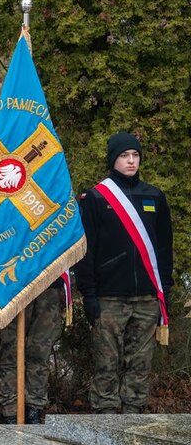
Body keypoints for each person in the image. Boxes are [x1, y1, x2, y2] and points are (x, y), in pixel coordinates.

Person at [76, 132, 173, 414]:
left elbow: (164, 248)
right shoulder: (95, 198)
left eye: (135, 155)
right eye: (124, 156)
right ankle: (105, 417)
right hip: (108, 298)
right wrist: (89, 295)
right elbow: (85, 250)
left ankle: (134, 416)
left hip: (147, 298)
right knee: (106, 364)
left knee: (140, 364)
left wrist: (164, 290)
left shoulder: (154, 196)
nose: (131, 161)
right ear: (113, 160)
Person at [0, 283, 65, 424]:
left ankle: (34, 407)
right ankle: (10, 410)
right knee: (10, 352)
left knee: (40, 353)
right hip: (14, 286)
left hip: (49, 287)